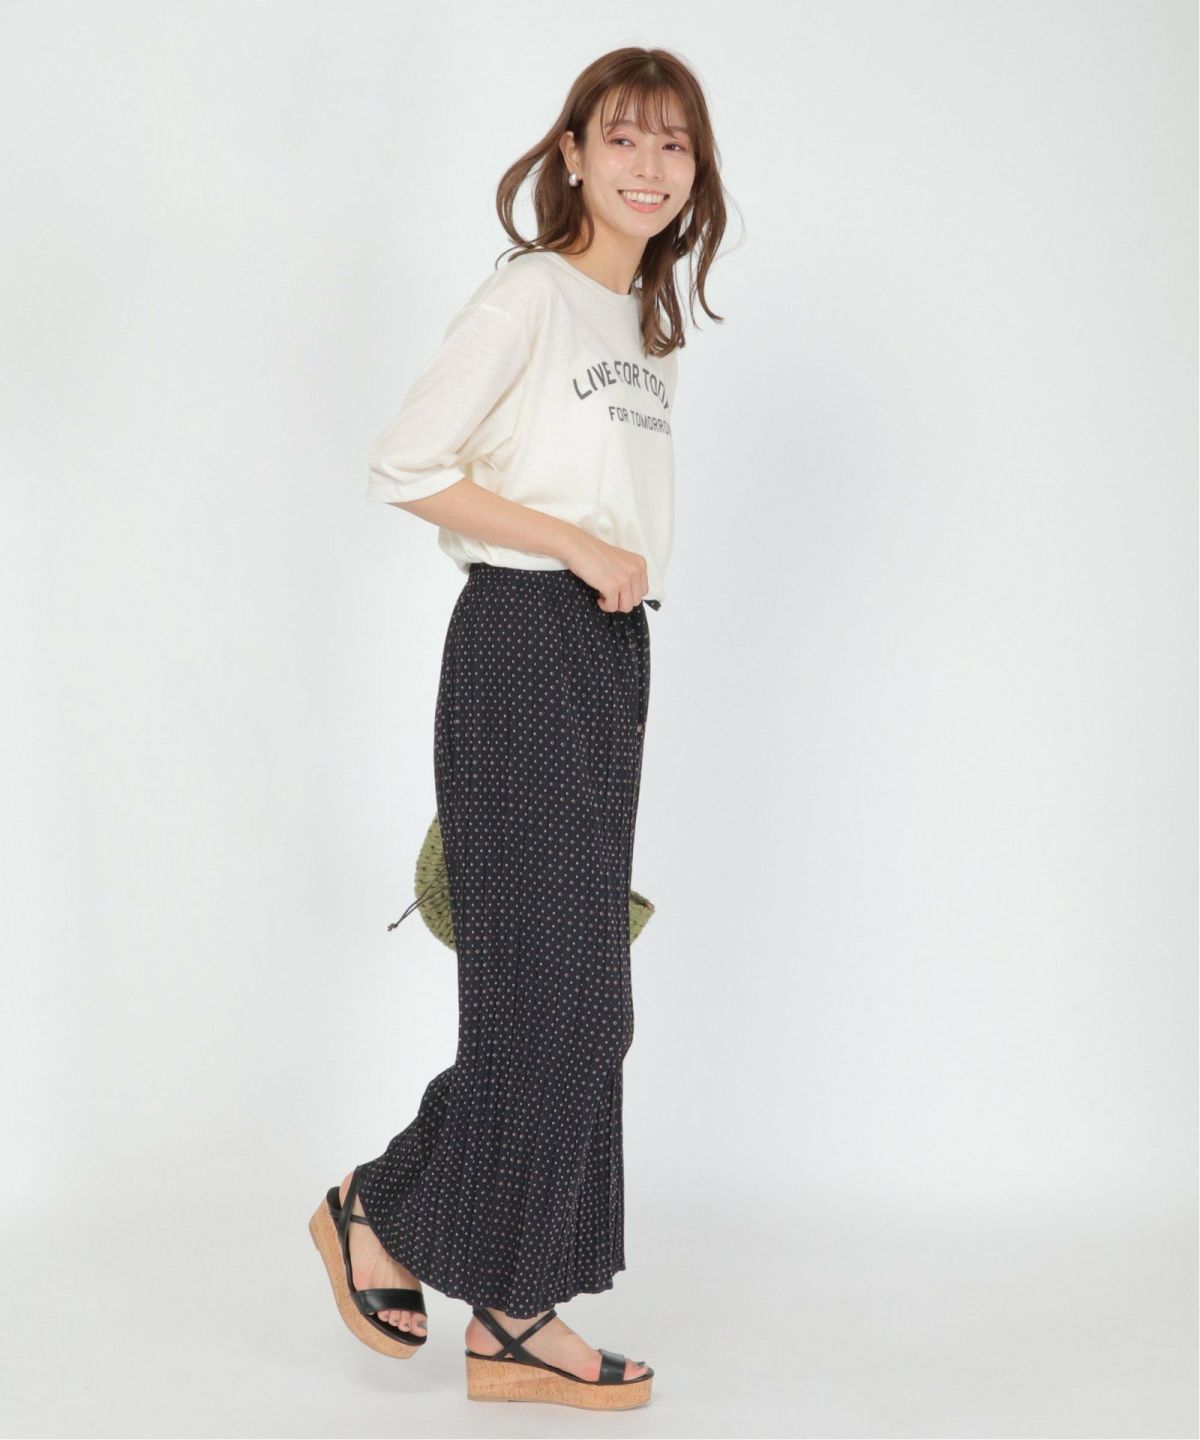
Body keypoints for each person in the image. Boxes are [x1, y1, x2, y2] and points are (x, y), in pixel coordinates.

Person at [309, 44, 726, 1411]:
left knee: (583, 1005)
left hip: (606, 658)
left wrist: (611, 575)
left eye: (674, 144)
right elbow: (406, 463)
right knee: (553, 1003)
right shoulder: (530, 296)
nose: (649, 166)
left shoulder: (646, 331)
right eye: (625, 138)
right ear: (573, 155)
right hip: (522, 643)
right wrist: (577, 544)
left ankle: (508, 1308)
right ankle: (382, 1207)